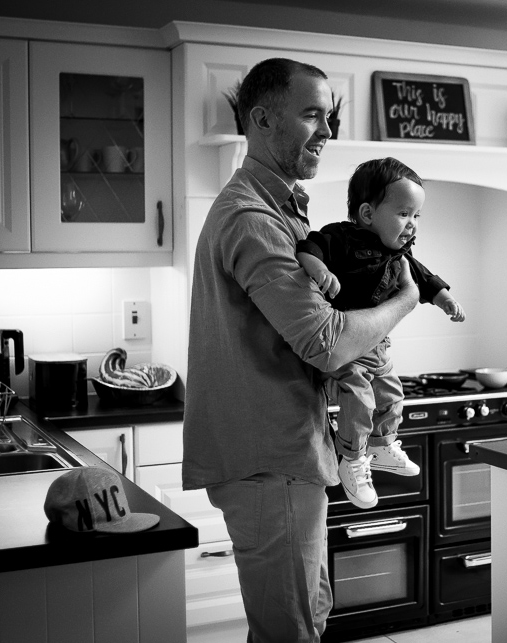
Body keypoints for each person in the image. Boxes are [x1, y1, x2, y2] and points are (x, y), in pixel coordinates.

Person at [182, 58, 420, 643]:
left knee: (305, 614)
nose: (329, 131)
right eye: (312, 115)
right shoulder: (254, 218)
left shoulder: (284, 209)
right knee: (290, 630)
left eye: (330, 116)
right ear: (262, 120)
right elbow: (327, 345)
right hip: (271, 460)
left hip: (283, 455)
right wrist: (407, 299)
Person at [297, 157, 465, 509]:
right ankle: (353, 460)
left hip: (378, 346)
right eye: (404, 214)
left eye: (417, 216)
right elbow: (310, 246)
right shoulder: (341, 237)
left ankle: (382, 444)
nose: (412, 225)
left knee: (391, 392)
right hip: (348, 345)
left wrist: (444, 298)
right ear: (368, 214)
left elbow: (424, 278)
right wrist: (315, 266)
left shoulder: (400, 254)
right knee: (360, 397)